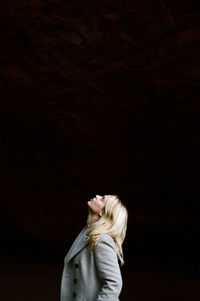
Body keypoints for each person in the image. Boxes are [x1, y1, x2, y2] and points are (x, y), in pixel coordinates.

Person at [60, 194, 128, 301]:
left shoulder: (102, 240)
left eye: (102, 199)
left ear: (102, 212)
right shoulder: (88, 232)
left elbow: (114, 283)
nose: (96, 196)